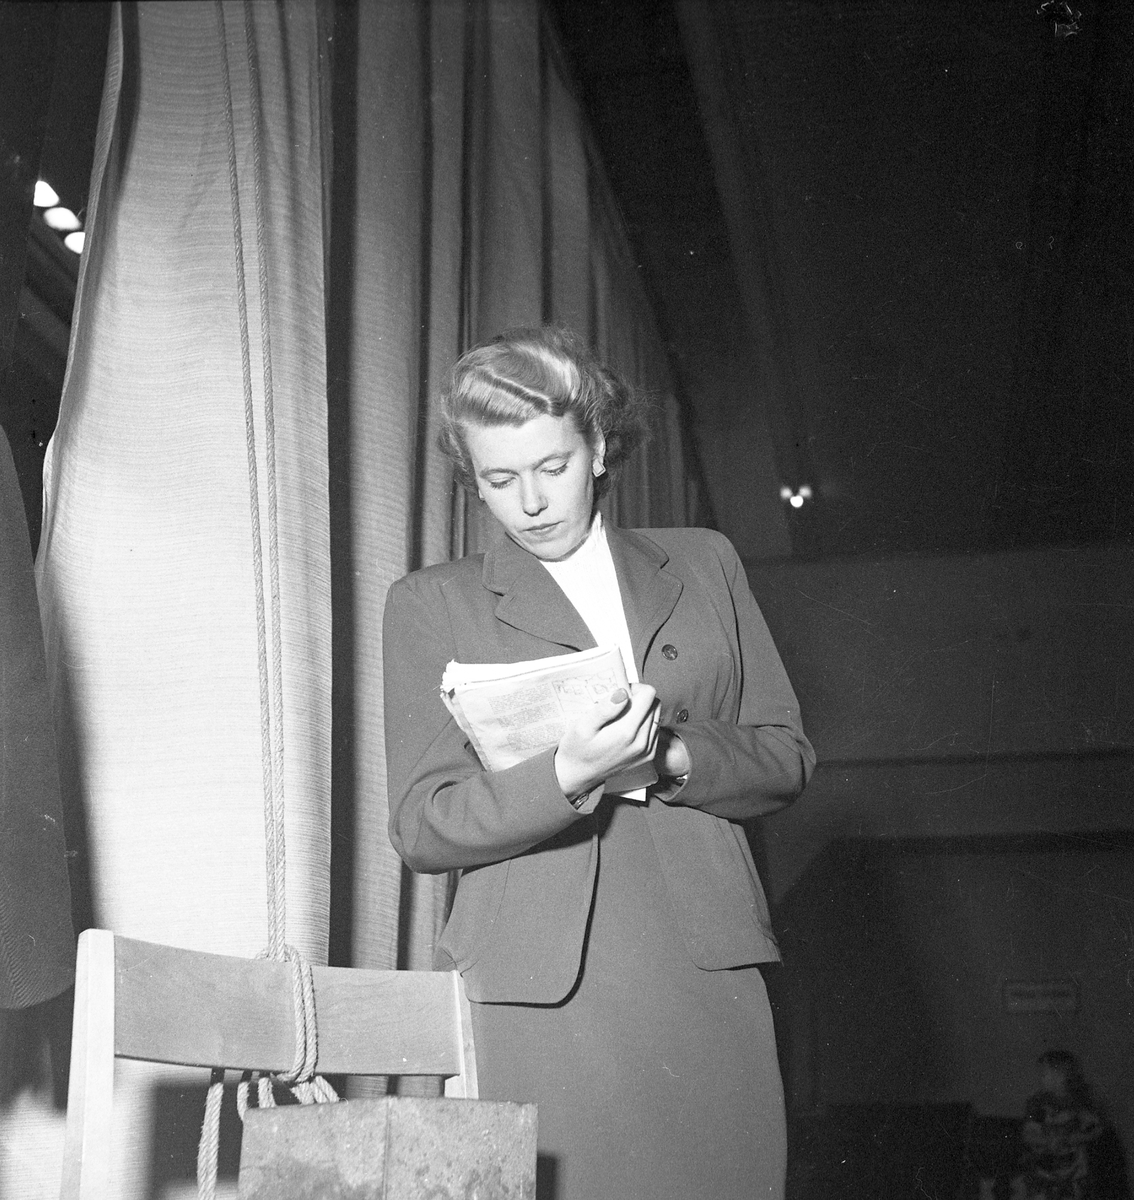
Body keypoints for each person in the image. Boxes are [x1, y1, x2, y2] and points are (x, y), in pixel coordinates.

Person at [382, 326, 816, 1200]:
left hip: (704, 953)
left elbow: (785, 755)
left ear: (600, 448)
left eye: (553, 466)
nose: (530, 501)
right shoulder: (431, 602)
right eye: (498, 480)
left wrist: (671, 754)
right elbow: (423, 825)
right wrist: (565, 775)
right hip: (537, 976)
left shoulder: (704, 561)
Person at [1016, 1050, 1129, 1200]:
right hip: (1044, 1171)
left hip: (1076, 1171)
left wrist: (1070, 1139)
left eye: (1044, 1074)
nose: (1041, 1078)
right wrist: (1049, 1141)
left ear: (1061, 1075)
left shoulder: (1083, 1101)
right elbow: (1028, 1133)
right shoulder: (1037, 1103)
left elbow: (1096, 1131)